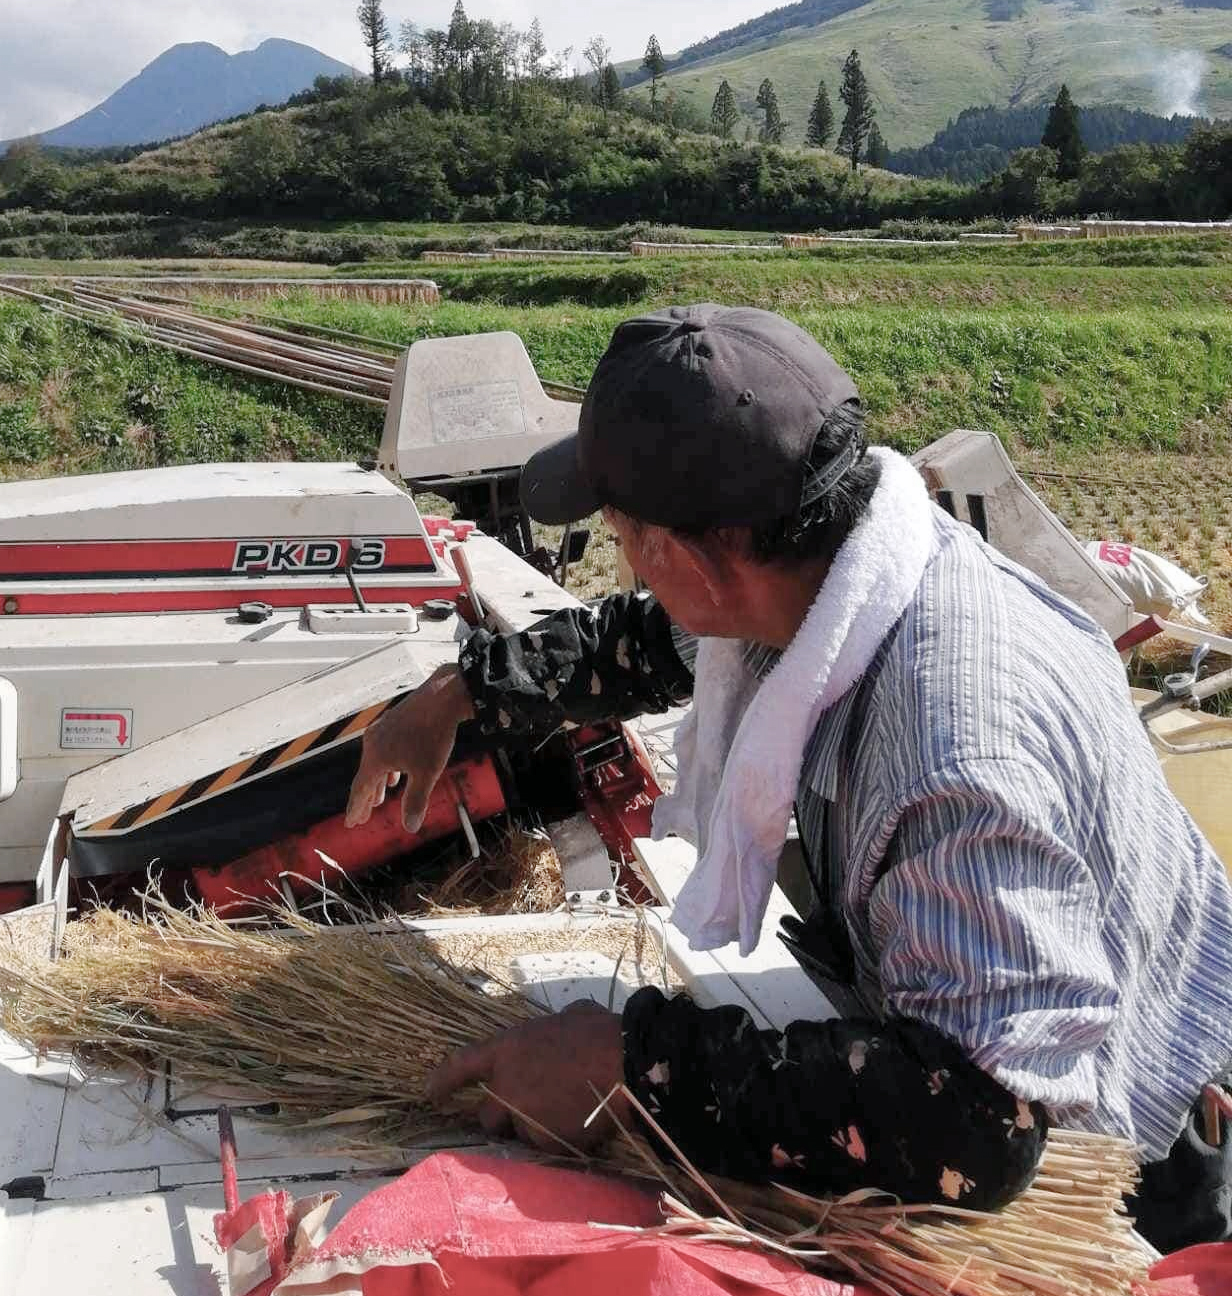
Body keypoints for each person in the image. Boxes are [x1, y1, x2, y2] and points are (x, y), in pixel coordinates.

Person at [345, 304, 1232, 1252]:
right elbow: (652, 640)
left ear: (687, 554)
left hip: (1134, 1176)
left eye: (621, 534)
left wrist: (628, 1066)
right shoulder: (834, 565)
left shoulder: (949, 745)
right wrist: (463, 692)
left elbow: (975, 1123)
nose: (630, 565)